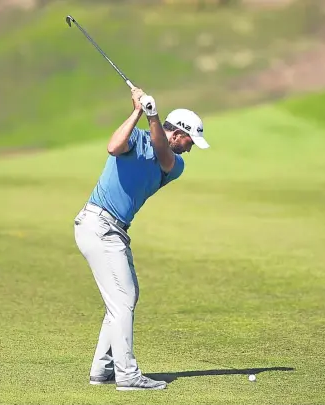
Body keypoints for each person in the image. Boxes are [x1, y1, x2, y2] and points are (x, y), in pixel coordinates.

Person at [73, 87, 210, 391]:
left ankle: (102, 369)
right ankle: (127, 375)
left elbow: (162, 152)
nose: (189, 148)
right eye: (189, 141)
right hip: (99, 224)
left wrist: (153, 116)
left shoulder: (174, 164)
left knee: (125, 298)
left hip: (113, 230)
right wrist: (138, 111)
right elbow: (112, 146)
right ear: (178, 134)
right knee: (123, 300)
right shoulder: (135, 138)